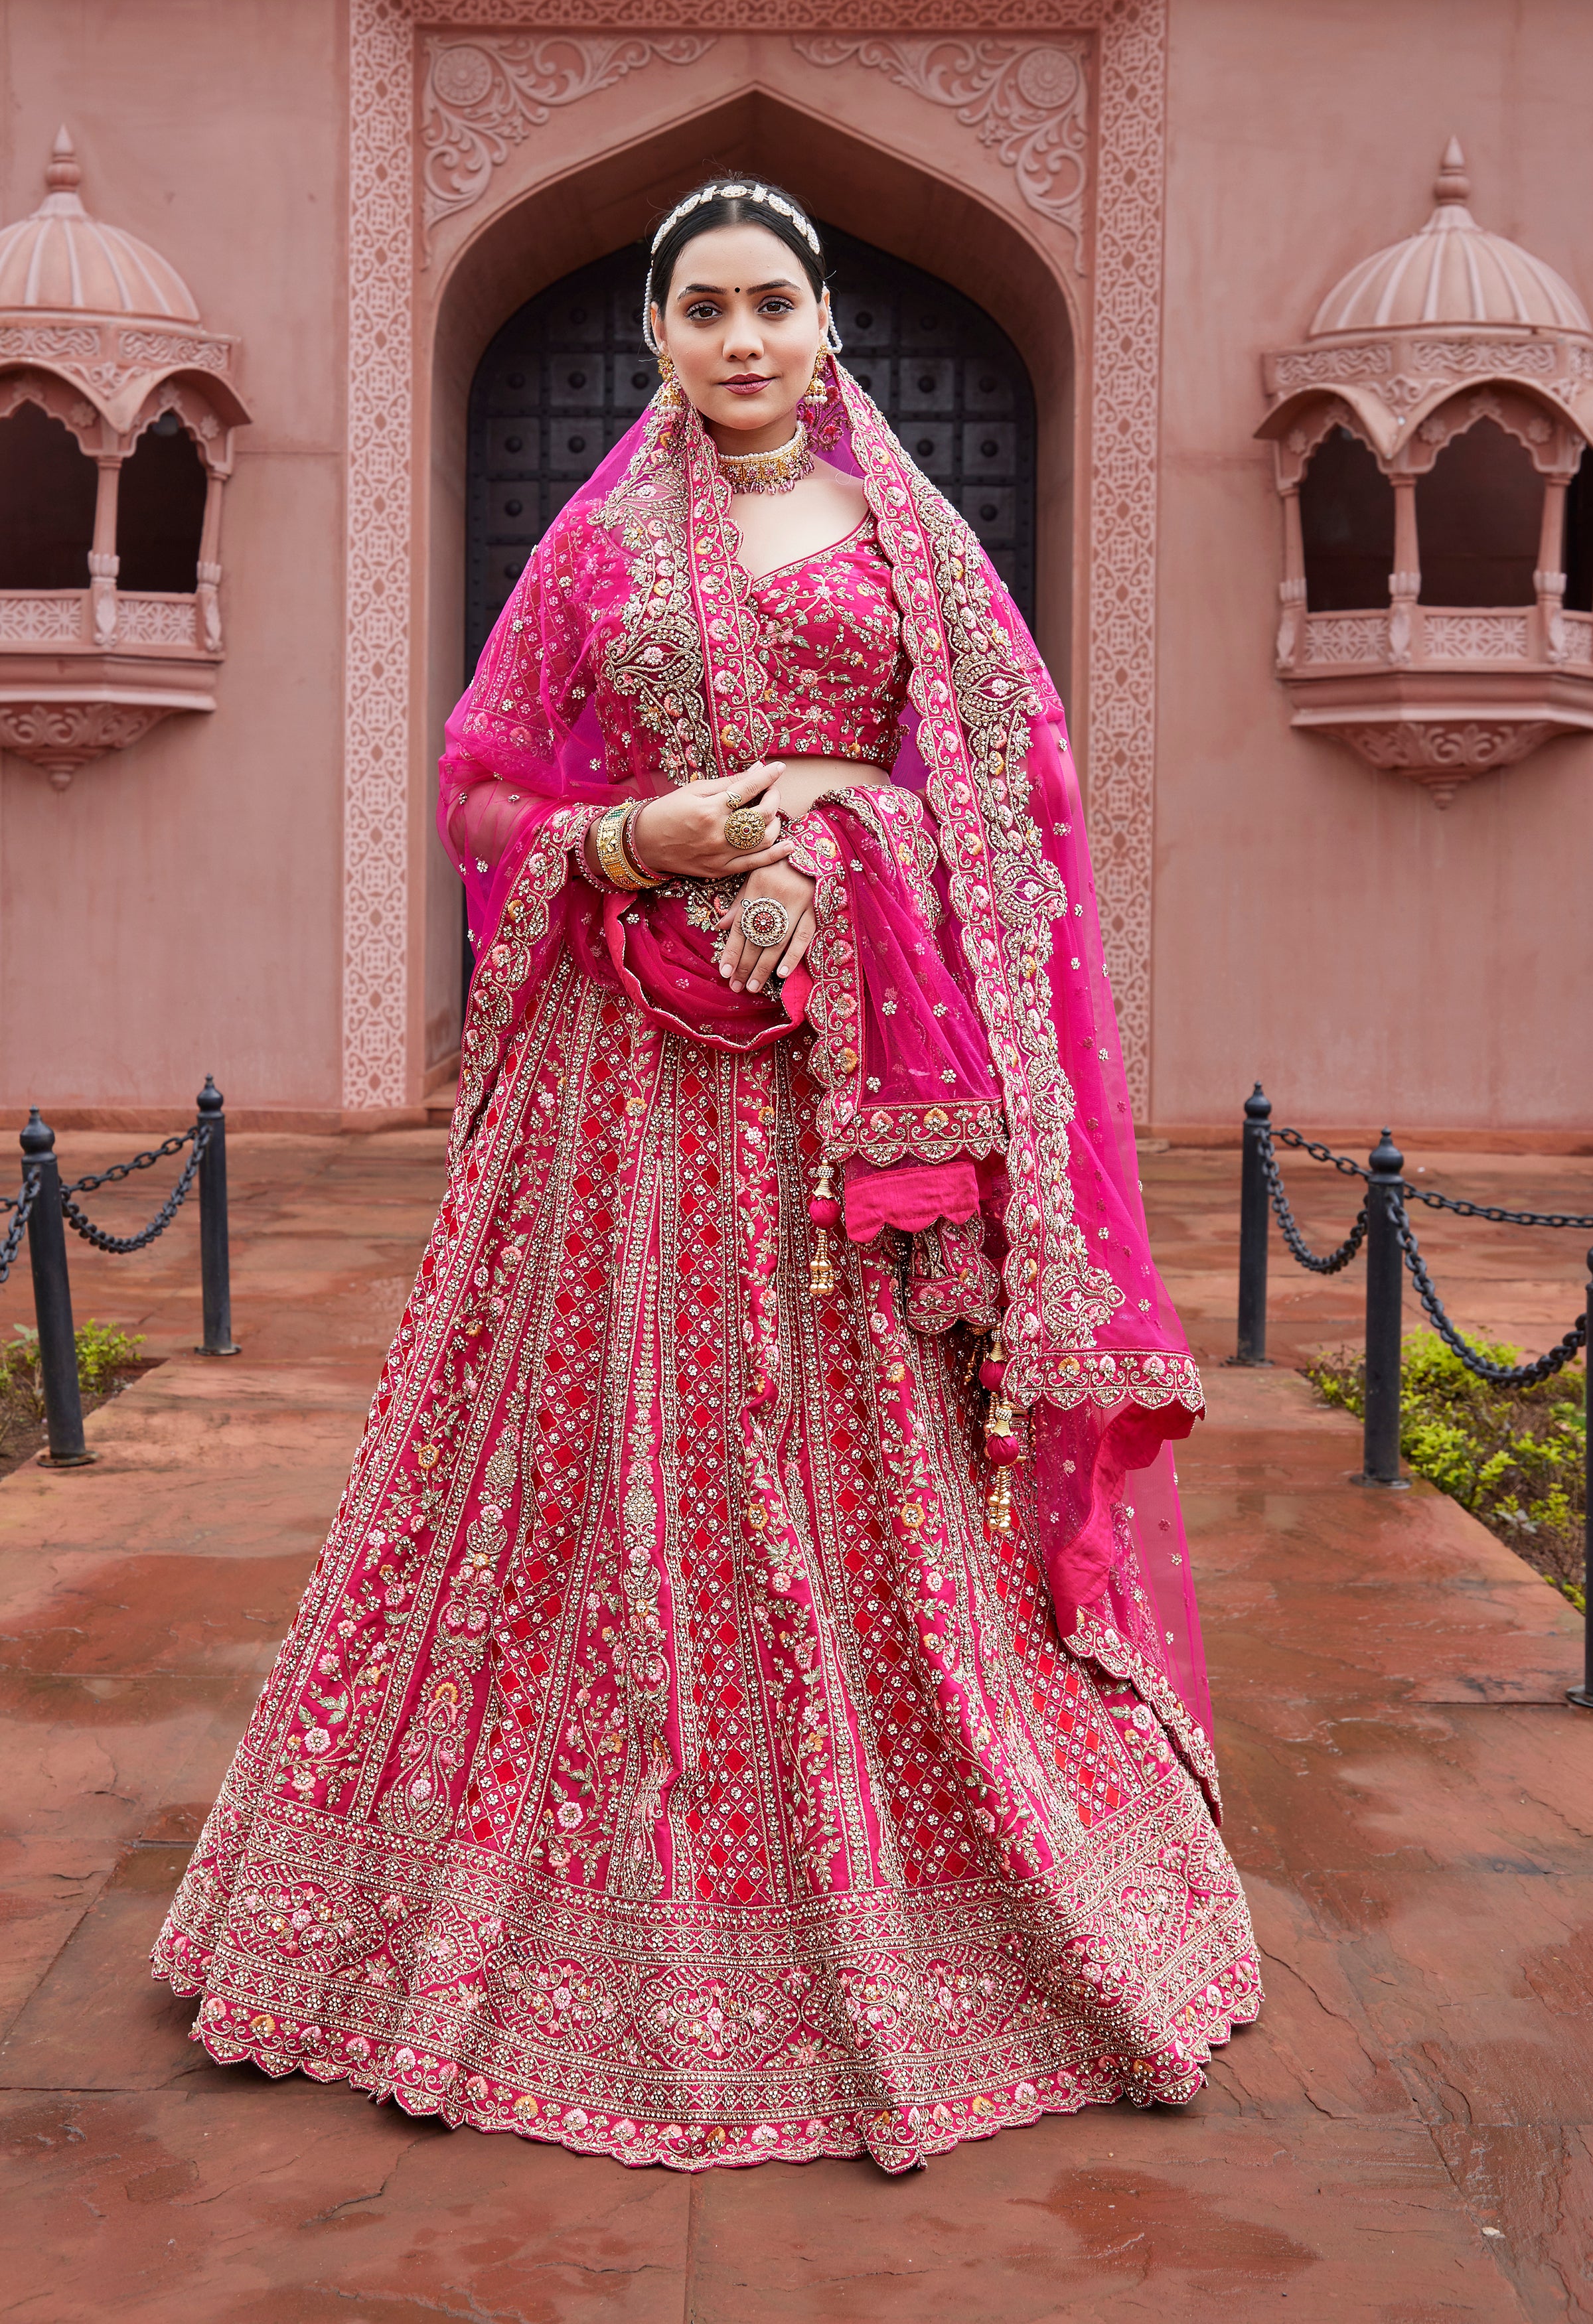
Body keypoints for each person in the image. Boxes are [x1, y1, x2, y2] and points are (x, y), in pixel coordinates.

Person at [155, 177, 1260, 2173]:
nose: (741, 340)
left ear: (825, 328)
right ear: (653, 337)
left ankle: (914, 1876)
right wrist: (633, 840)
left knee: (842, 1468)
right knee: (568, 1449)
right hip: (619, 1081)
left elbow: (1026, 798)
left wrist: (849, 855)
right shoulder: (590, 557)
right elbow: (484, 781)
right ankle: (447, 1897)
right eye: (703, 310)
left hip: (837, 1081)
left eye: (773, 304)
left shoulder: (914, 546)